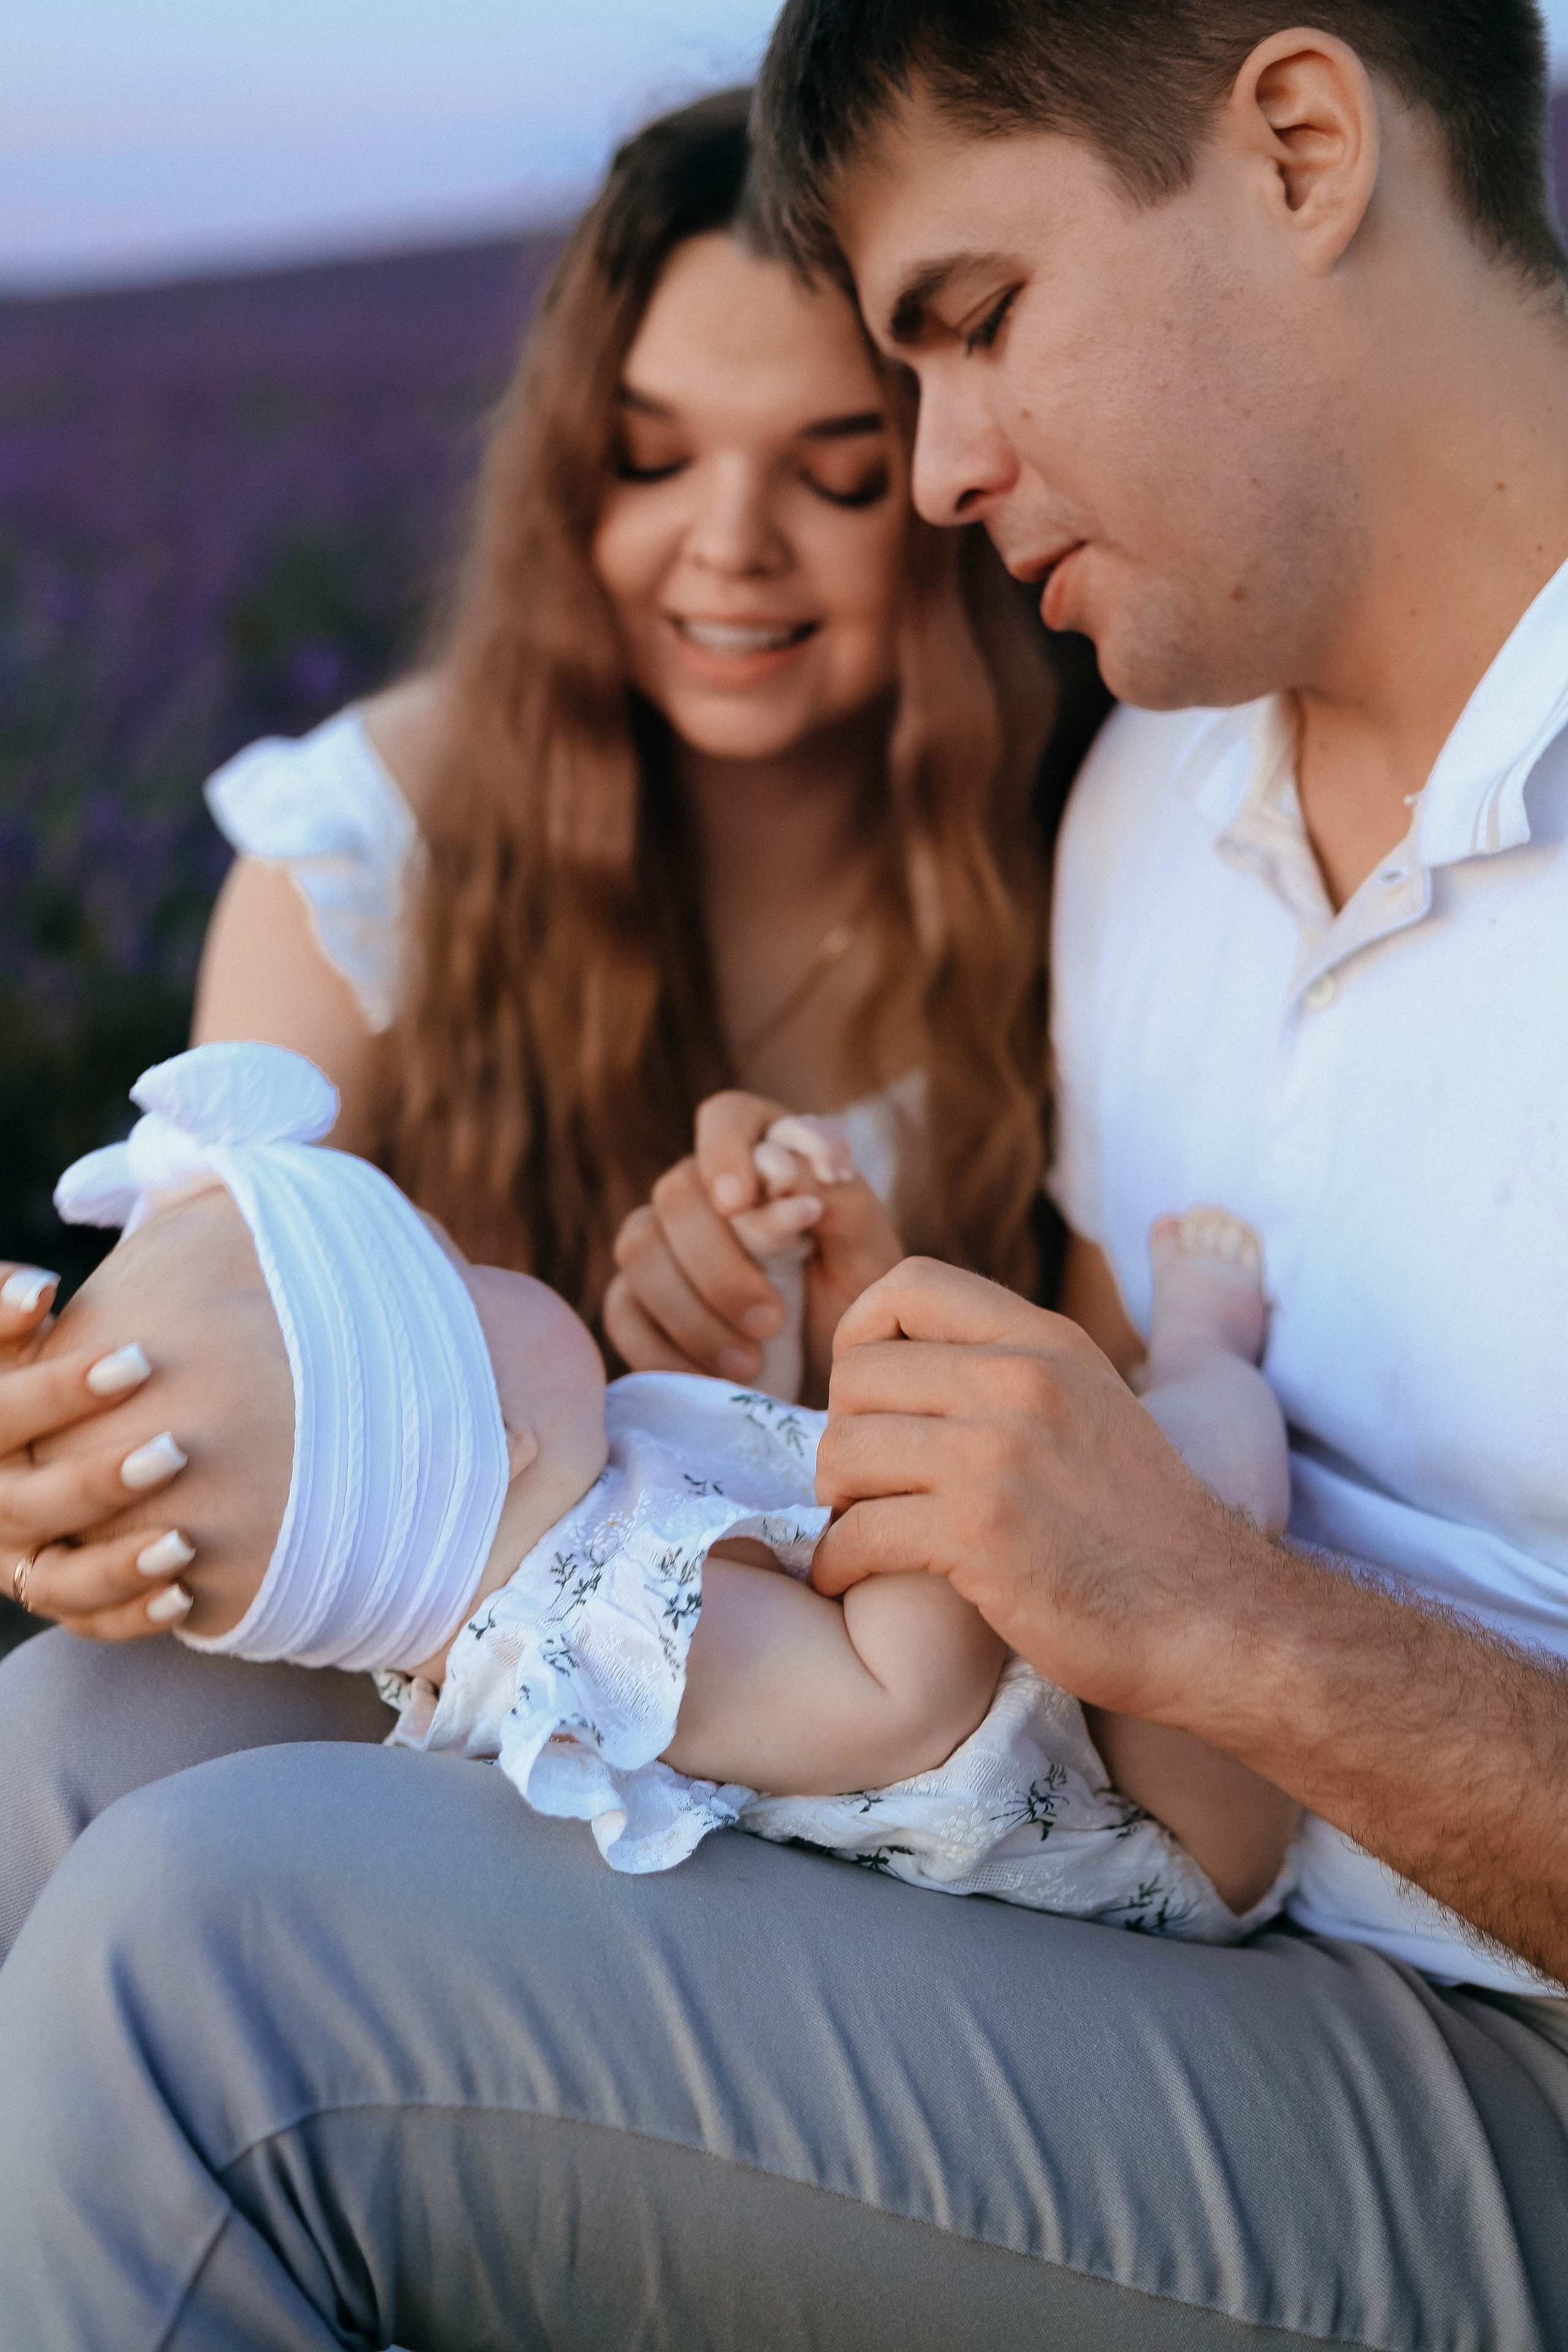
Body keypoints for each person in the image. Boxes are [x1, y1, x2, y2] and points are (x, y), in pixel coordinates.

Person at [3, 7, 1565, 2346]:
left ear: (1304, 146)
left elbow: (1160, 1586)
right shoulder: (1149, 798)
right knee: (86, 1734)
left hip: (1485, 2053)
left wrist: (1213, 1615)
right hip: (1152, 1885)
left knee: (203, 1971)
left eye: (975, 325)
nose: (935, 479)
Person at [34, 1038, 1297, 1924]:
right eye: (467, 1280)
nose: (502, 1266)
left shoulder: (573, 1528)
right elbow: (902, 1701)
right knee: (1184, 1466)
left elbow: (783, 1519)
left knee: (1110, 1494)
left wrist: (792, 1350)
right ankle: (1199, 1347)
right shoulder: (619, 1634)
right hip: (1145, 1816)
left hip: (1081, 1732)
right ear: (490, 1437)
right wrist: (900, 1412)